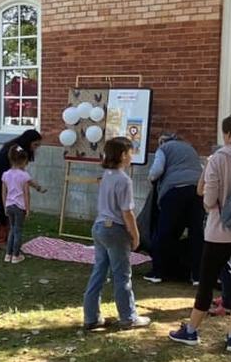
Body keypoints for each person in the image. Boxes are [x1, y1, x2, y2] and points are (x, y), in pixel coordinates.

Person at [169, 114, 231, 353]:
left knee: (206, 283)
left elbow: (208, 199)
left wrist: (209, 201)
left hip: (219, 234)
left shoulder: (218, 159)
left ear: (228, 134)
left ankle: (191, 331)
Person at [82, 137, 151, 330]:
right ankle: (128, 317)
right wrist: (136, 235)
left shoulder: (106, 176)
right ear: (122, 155)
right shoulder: (123, 180)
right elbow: (127, 212)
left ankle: (91, 317)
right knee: (122, 275)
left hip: (99, 228)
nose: (132, 156)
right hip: (115, 230)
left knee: (99, 272)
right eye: (130, 152)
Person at [143, 132, 205, 285]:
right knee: (196, 233)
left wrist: (150, 179)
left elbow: (156, 170)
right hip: (197, 191)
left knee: (163, 231)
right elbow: (201, 168)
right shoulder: (190, 149)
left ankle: (157, 272)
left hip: (174, 191)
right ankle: (197, 275)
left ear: (162, 141)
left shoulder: (164, 149)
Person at [0, 129, 45, 248]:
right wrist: (36, 186)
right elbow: (20, 172)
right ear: (28, 141)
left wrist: (36, 186)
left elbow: (20, 173)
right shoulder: (16, 150)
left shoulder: (18, 148)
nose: (36, 148)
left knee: (8, 204)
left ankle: (7, 236)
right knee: (3, 204)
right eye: (35, 145)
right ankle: (0, 240)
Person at [2, 145, 33, 264]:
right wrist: (28, 208)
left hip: (9, 205)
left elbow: (4, 192)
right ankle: (16, 255)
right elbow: (26, 193)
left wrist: (5, 205)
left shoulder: (5, 174)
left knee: (12, 230)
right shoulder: (24, 176)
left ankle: (8, 254)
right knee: (18, 231)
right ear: (23, 161)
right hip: (19, 207)